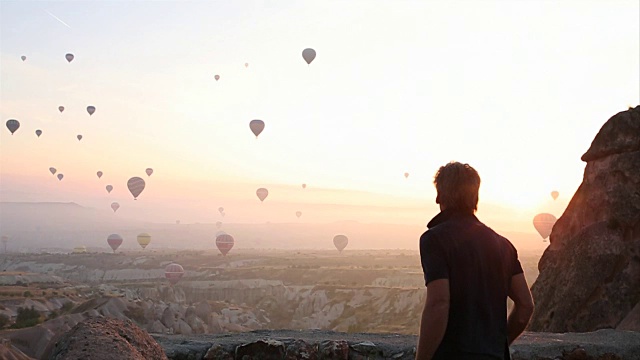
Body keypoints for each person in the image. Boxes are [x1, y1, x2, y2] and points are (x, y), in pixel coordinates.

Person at [416, 162, 534, 360]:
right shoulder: (503, 245)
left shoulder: (434, 239)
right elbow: (525, 306)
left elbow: (439, 303)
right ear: (475, 197)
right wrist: (497, 344)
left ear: (439, 196)